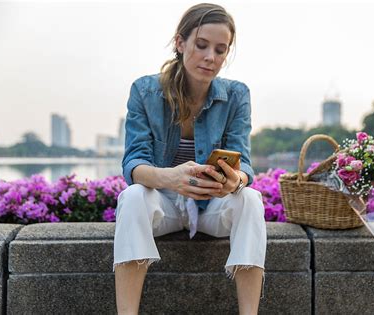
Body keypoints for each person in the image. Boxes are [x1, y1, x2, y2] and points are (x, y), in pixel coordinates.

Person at [113, 3, 267, 315]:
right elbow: (134, 163)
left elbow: (245, 164)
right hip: (164, 208)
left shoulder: (237, 95)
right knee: (132, 197)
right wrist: (171, 178)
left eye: (221, 50)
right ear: (180, 43)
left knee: (250, 198)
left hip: (211, 208)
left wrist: (235, 181)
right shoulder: (144, 91)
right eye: (201, 45)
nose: (211, 57)